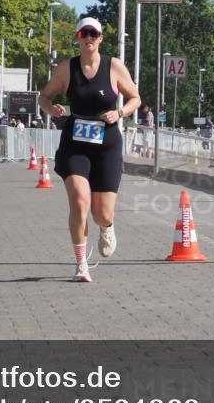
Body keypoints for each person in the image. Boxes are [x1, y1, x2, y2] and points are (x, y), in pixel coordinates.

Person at [38, 17, 140, 283]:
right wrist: (53, 110)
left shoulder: (113, 66)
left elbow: (135, 98)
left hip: (107, 144)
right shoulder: (66, 69)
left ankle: (107, 227)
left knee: (101, 212)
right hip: (75, 144)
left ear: (101, 38)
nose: (89, 38)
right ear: (78, 37)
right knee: (80, 202)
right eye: (84, 33)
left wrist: (119, 113)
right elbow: (43, 97)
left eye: (94, 34)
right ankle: (81, 263)